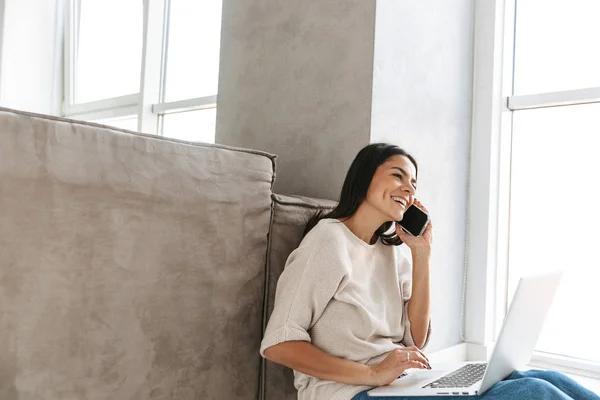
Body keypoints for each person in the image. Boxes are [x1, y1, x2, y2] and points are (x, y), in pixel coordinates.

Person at [260, 143, 599, 400]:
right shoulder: (329, 241)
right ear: (364, 179)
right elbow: (279, 344)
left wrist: (422, 255)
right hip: (349, 392)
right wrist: (373, 373)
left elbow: (416, 340)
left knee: (548, 378)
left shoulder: (393, 251)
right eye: (397, 176)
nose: (409, 189)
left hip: (399, 382)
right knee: (533, 392)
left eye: (413, 184)